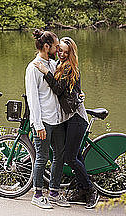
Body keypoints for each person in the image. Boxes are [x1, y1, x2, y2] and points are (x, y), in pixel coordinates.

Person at [34, 36, 100, 209]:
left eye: (65, 51)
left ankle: (91, 190)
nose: (61, 53)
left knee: (69, 158)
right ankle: (81, 190)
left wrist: (44, 71)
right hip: (67, 119)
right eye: (59, 50)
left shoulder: (69, 67)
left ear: (71, 53)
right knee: (76, 156)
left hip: (76, 119)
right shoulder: (58, 65)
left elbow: (57, 88)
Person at [25, 29, 69, 209]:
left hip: (57, 120)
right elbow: (32, 98)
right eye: (56, 46)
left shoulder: (52, 64)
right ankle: (37, 194)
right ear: (46, 46)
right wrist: (37, 124)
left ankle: (54, 192)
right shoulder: (33, 68)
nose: (58, 49)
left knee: (59, 156)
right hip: (43, 122)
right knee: (42, 158)